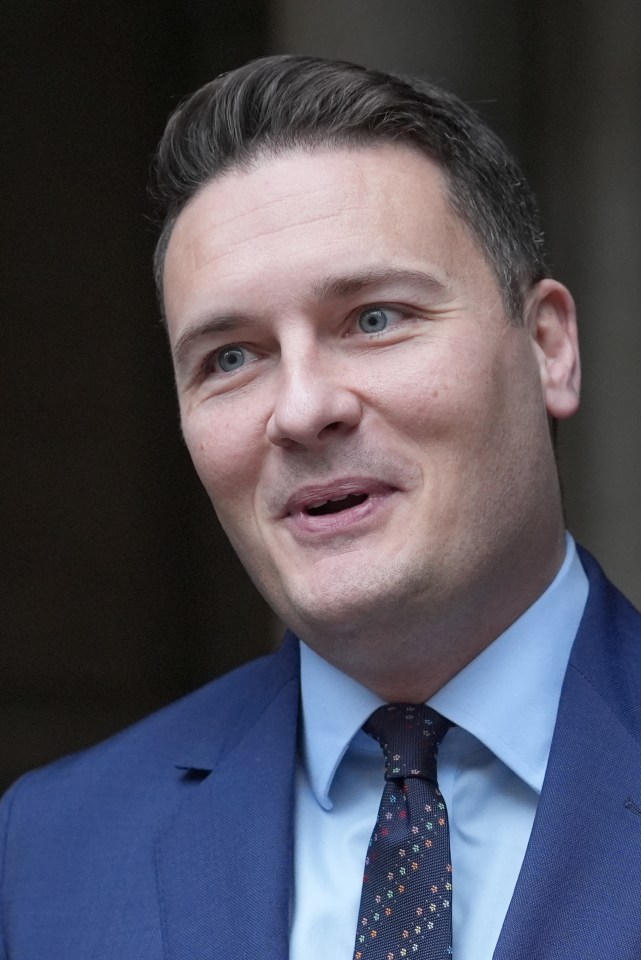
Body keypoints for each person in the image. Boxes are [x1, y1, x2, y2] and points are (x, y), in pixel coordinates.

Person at [1, 54, 640, 960]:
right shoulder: (51, 850)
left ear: (547, 349)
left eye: (374, 318)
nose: (301, 410)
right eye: (230, 357)